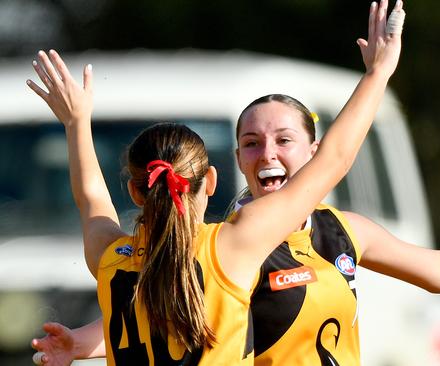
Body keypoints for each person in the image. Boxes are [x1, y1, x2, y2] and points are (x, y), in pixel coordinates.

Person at [31, 2, 440, 366]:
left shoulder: (337, 230)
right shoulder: (228, 243)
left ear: (309, 150)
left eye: (285, 140)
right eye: (251, 143)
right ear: (221, 171)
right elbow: (156, 308)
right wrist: (380, 76)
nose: (267, 153)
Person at [26, 0, 405, 364]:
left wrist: (76, 124)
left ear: (134, 191)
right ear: (209, 182)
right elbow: (334, 159)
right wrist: (377, 73)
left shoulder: (112, 261)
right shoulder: (232, 246)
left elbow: (90, 198)